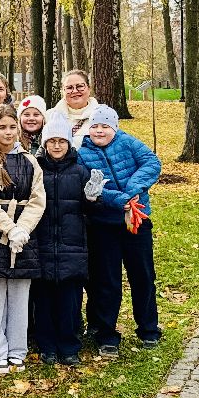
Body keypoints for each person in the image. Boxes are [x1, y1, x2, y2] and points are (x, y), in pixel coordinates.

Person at [76, 105, 162, 355]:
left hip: (136, 219)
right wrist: (117, 199)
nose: (99, 131)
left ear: (114, 128)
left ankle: (148, 328)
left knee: (143, 276)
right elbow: (88, 186)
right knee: (106, 280)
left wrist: (132, 190)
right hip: (104, 224)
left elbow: (151, 163)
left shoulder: (128, 142)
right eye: (95, 126)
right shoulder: (82, 154)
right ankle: (107, 334)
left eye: (105, 126)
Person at [0, 103, 46, 374]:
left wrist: (23, 229)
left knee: (19, 297)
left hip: (24, 237)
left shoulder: (30, 161)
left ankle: (17, 350)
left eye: (12, 127)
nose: (8, 132)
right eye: (2, 127)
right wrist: (8, 228)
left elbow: (37, 200)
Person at [33, 111, 92, 365]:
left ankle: (69, 346)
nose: (57, 146)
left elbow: (90, 210)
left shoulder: (80, 171)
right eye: (52, 141)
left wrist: (93, 198)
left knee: (70, 302)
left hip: (72, 247)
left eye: (61, 141)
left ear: (68, 143)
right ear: (45, 143)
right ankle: (47, 345)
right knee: (44, 301)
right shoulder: (36, 170)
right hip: (43, 245)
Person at [50, 70, 99, 147]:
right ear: (63, 91)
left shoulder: (102, 116)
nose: (75, 91)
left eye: (80, 86)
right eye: (69, 88)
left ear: (89, 88)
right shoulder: (50, 117)